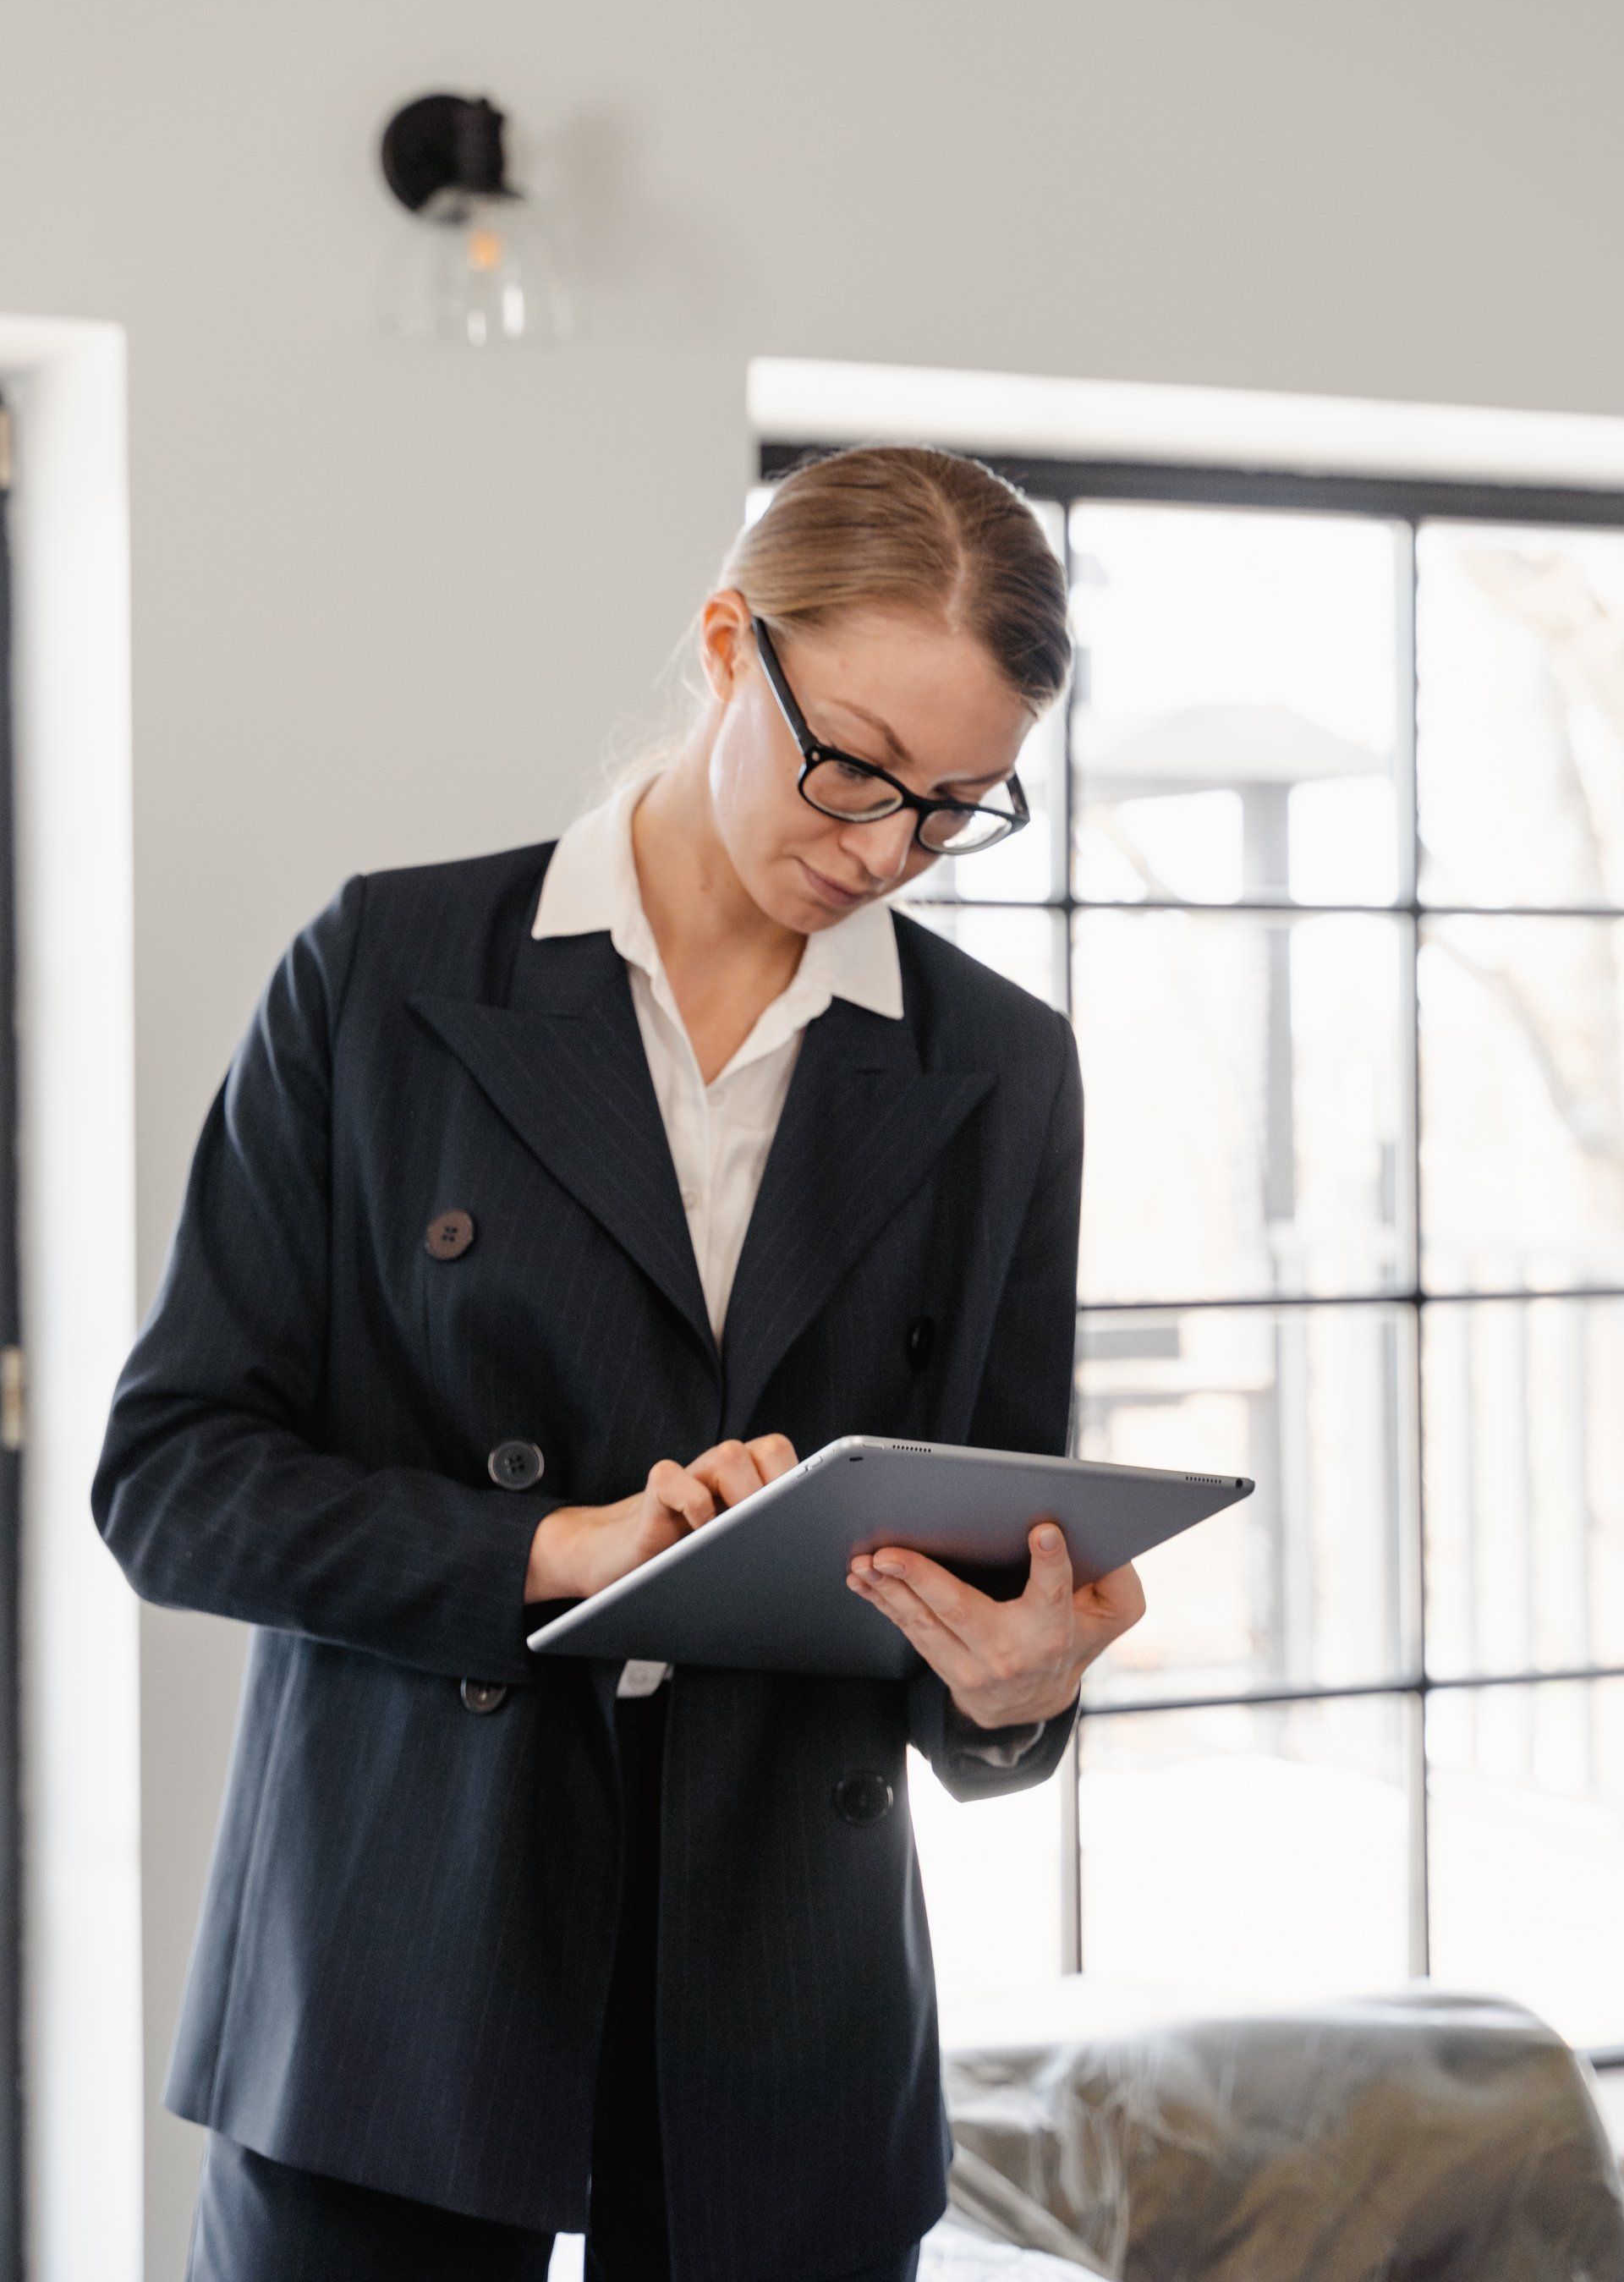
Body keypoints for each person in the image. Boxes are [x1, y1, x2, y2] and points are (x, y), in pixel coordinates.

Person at [93, 443, 1146, 2282]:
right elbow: (171, 1481)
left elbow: (982, 1549)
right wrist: (547, 1555)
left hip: (786, 2000)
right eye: (856, 769)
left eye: (961, 806)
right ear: (730, 641)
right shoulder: (388, 973)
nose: (888, 847)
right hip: (394, 1968)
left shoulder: (998, 1070)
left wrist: (1017, 1688)